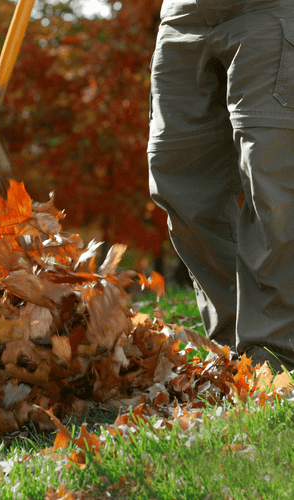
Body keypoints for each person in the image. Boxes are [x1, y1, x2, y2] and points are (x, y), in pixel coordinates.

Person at [147, 0, 294, 374]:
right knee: (178, 177)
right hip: (183, 14)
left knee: (271, 186)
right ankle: (233, 353)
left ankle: (274, 358)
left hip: (267, 7)